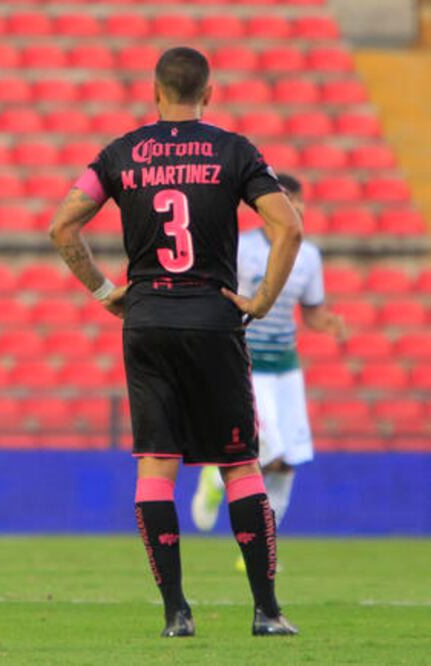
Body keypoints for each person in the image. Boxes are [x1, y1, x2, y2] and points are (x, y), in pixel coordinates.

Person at [48, 47, 303, 637]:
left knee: (156, 468)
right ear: (208, 93)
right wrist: (262, 298)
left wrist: (104, 289)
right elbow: (288, 225)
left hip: (146, 318)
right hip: (214, 319)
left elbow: (62, 225)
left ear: (154, 91)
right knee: (239, 464)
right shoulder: (234, 151)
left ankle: (175, 614)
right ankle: (266, 611)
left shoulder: (120, 153)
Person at [191, 174, 347, 557]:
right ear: (269, 209)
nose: (299, 210)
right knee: (271, 454)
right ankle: (215, 474)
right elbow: (218, 292)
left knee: (286, 464)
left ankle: (262, 552)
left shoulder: (309, 256)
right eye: (291, 202)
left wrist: (327, 323)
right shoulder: (242, 249)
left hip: (286, 369)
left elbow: (310, 311)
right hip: (248, 364)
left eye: (302, 203)